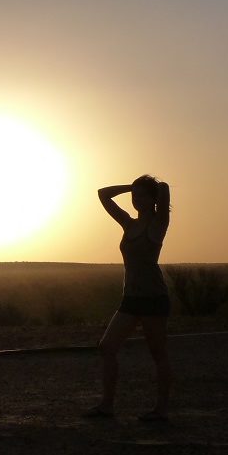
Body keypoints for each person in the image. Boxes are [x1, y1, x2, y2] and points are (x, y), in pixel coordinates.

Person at [85, 175, 171, 421]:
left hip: (153, 298)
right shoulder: (128, 224)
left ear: (153, 199)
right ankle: (107, 406)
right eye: (135, 195)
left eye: (142, 195)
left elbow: (164, 189)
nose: (136, 199)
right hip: (131, 298)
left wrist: (154, 186)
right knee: (107, 347)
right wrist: (130, 187)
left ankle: (161, 410)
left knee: (158, 353)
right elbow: (103, 193)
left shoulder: (159, 223)